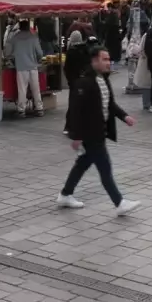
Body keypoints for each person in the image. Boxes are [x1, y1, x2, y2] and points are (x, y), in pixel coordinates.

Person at [56, 45, 141, 216]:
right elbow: (75, 110)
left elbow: (110, 104)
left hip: (98, 131)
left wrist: (125, 117)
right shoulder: (84, 82)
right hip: (90, 134)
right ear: (94, 61)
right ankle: (119, 202)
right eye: (105, 59)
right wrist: (76, 136)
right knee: (105, 168)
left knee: (82, 164)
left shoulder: (103, 79)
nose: (109, 63)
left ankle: (65, 194)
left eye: (109, 59)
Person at [5, 20, 45, 117]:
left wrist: (13, 58)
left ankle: (21, 110)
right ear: (28, 27)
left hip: (21, 67)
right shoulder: (33, 37)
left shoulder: (15, 38)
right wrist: (38, 59)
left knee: (22, 89)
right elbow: (40, 53)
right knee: (36, 89)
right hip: (33, 66)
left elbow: (8, 52)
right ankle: (39, 108)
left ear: (20, 27)